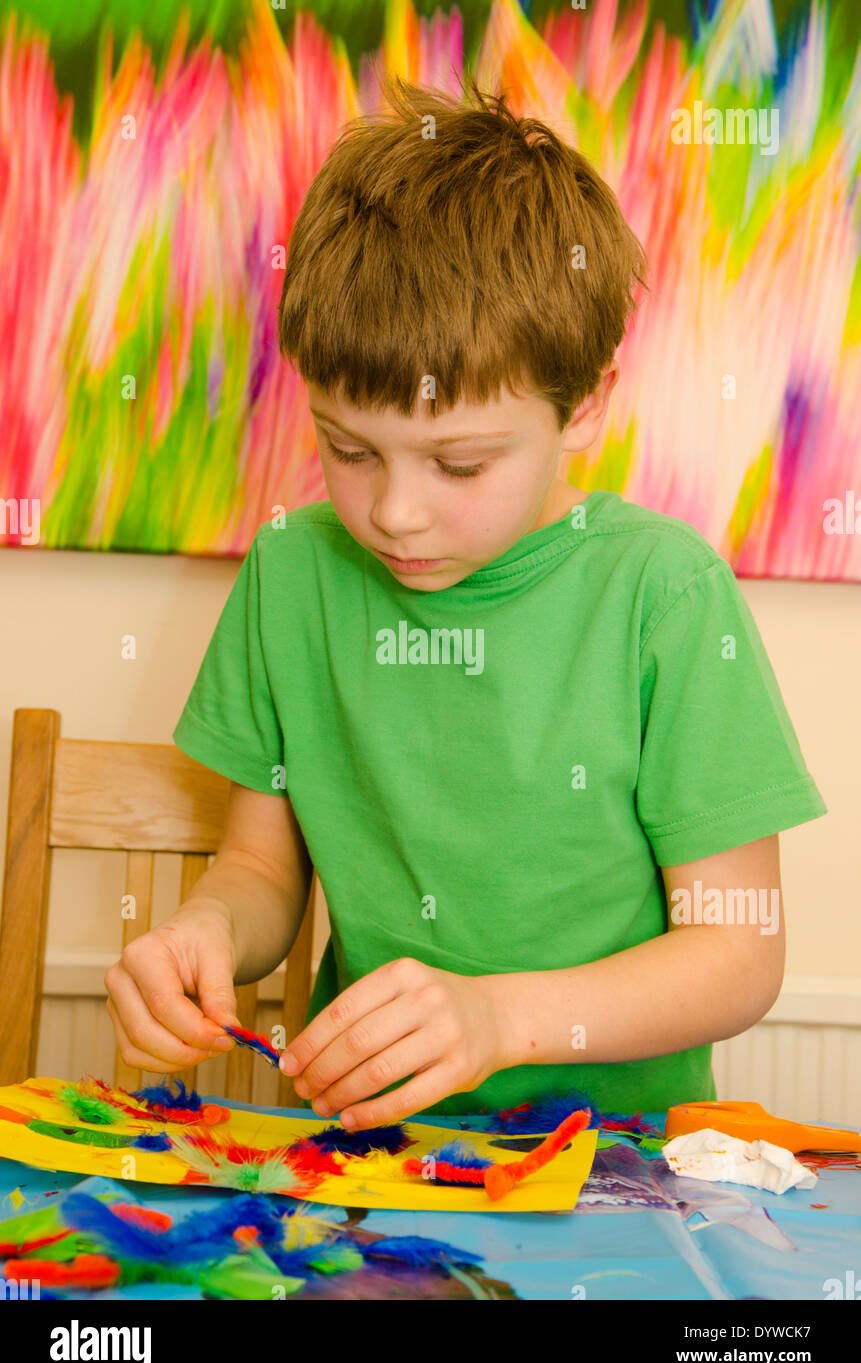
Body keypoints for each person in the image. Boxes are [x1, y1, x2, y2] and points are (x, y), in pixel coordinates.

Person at [105, 75, 827, 1129]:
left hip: (617, 1174)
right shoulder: (290, 574)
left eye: (460, 464)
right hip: (372, 1155)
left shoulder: (662, 594)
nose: (394, 513)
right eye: (349, 449)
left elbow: (738, 952)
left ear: (583, 409)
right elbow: (260, 865)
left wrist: (500, 1019)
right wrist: (206, 928)